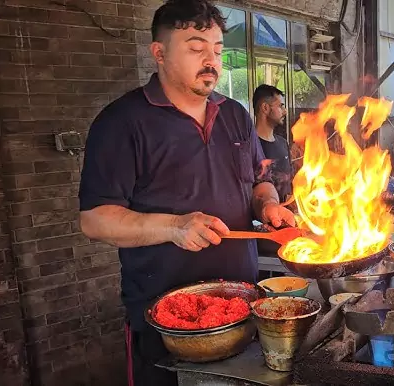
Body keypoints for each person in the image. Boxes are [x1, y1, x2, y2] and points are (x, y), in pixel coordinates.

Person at [77, 1, 295, 385]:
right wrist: (175, 226)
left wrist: (269, 204)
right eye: (196, 48)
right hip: (168, 318)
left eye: (217, 50)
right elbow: (95, 220)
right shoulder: (122, 122)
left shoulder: (235, 114)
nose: (210, 60)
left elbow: (257, 181)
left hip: (243, 303)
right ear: (159, 53)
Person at [252, 84, 293, 203]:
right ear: (265, 108)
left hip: (286, 216)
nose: (285, 111)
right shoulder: (249, 145)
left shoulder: (283, 143)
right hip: (261, 218)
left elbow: (290, 182)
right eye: (281, 106)